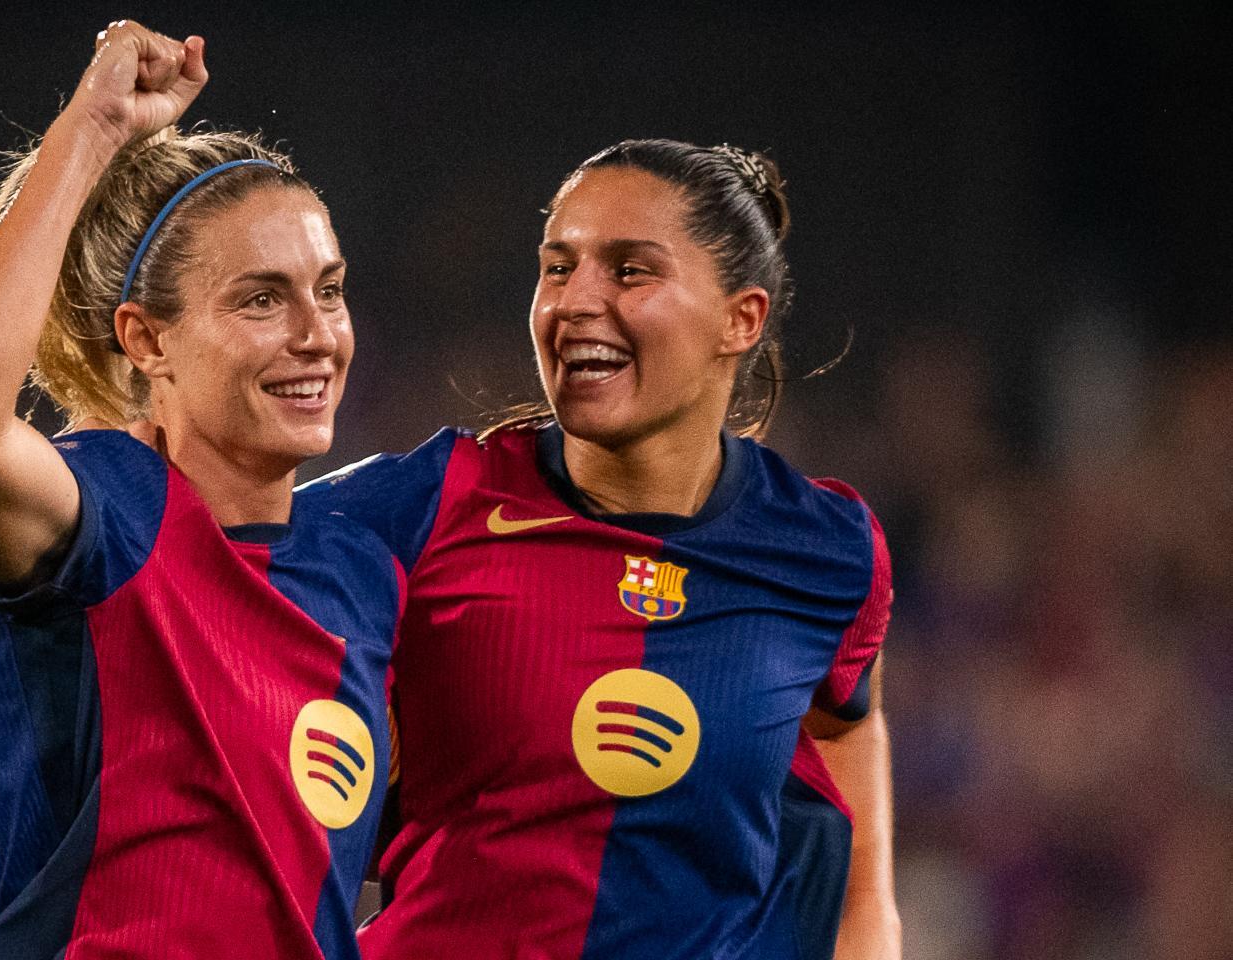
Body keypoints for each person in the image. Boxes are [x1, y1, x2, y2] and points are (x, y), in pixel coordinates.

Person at [299, 139, 899, 958]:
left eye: (629, 271)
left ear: (741, 319)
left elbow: (843, 742)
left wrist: (868, 931)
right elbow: (186, 554)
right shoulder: (424, 507)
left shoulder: (828, 549)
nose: (574, 300)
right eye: (557, 268)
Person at [0, 21, 398, 960]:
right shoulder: (115, 513)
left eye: (329, 290)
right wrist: (90, 131)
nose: (316, 335)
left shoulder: (363, 574)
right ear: (146, 339)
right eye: (261, 299)